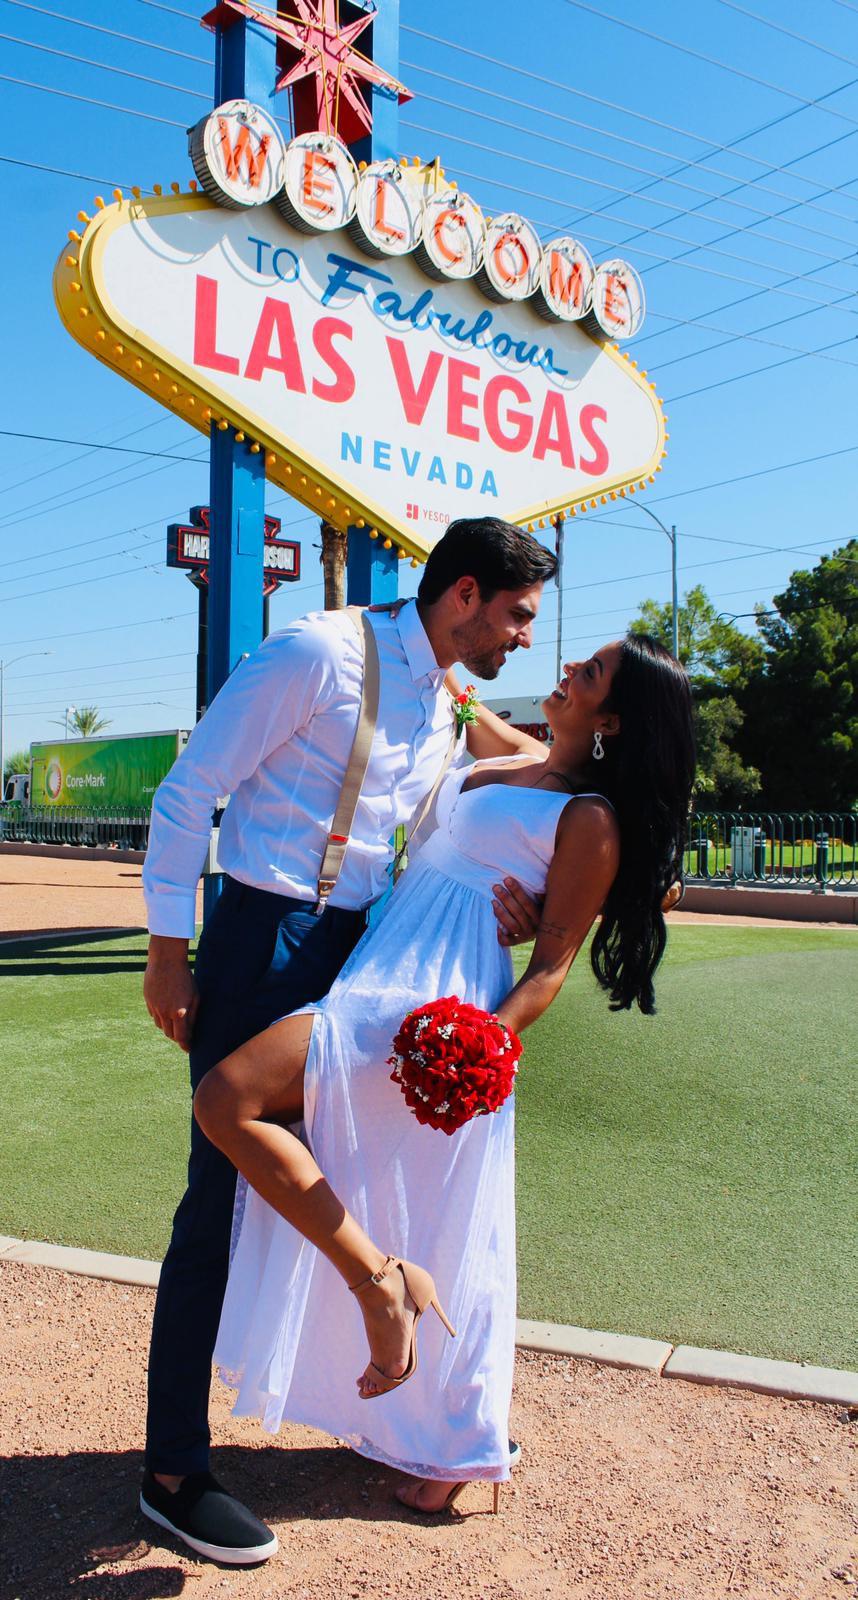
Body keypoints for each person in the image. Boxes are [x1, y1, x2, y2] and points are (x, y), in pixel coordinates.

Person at [194, 633, 695, 1520]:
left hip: (436, 1000)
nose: (567, 669)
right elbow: (451, 690)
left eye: (590, 674)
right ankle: (427, 1388)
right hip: (380, 963)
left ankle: (396, 1311)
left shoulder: (591, 818)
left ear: (614, 718)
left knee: (230, 1099)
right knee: (417, 1202)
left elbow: (550, 967)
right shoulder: (525, 756)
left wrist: (480, 1047)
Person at [140, 516, 559, 1564]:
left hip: (366, 946)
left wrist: (520, 900)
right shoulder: (315, 652)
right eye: (514, 616)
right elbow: (190, 791)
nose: (521, 639)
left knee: (367, 1180)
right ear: (462, 594)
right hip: (262, 933)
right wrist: (166, 948)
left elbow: (540, 778)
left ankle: (397, 1419)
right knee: (219, 1194)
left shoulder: (450, 693)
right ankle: (173, 1470)